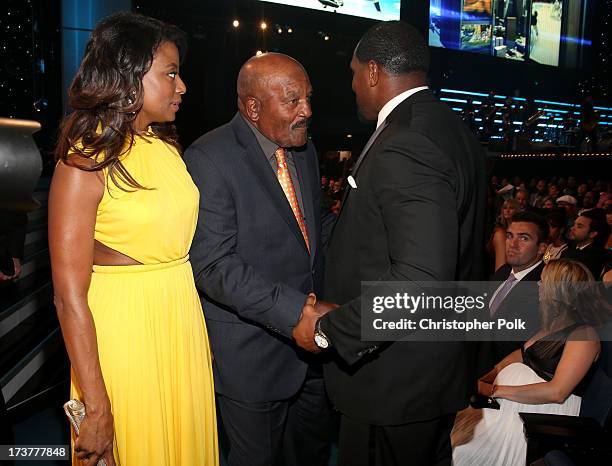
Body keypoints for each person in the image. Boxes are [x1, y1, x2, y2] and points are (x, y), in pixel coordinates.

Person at [292, 21, 486, 465]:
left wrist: (329, 331)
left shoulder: (407, 141)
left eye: (354, 73)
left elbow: (420, 278)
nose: (354, 85)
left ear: (375, 72)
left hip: (394, 381)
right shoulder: (450, 129)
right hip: (431, 369)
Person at [48, 12, 218, 466]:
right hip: (123, 334)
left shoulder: (165, 147)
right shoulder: (85, 161)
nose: (181, 87)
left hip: (179, 317)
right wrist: (96, 404)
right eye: (170, 74)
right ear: (128, 76)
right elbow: (68, 297)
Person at [184, 53, 334, 466]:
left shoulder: (303, 148)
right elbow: (213, 263)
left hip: (314, 353)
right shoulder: (209, 157)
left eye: (308, 98)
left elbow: (312, 227)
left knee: (313, 454)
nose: (307, 111)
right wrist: (294, 313)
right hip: (253, 356)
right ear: (252, 106)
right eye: (292, 100)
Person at [453, 259, 608, 466]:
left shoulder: (584, 334)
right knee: (454, 432)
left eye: (543, 281)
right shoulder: (550, 326)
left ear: (558, 290)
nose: (538, 285)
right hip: (514, 406)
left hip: (542, 415)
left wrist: (496, 389)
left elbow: (557, 391)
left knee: (464, 449)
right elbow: (519, 355)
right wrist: (486, 378)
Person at [486, 211, 548, 366]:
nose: (512, 244)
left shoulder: (545, 286)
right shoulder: (504, 271)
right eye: (509, 236)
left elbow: (513, 344)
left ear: (541, 248)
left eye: (523, 238)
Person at [563, 208, 611, 278]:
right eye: (574, 224)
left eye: (579, 226)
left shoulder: (597, 258)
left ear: (592, 233)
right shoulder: (567, 250)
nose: (572, 228)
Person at [487, 198, 522, 273]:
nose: (507, 211)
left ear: (517, 210)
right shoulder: (499, 231)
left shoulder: (520, 231)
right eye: (505, 208)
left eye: (511, 208)